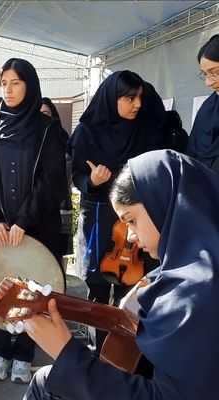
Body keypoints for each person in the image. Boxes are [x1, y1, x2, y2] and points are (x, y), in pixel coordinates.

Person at [23, 149, 219, 400]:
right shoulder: (193, 268)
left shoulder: (197, 293)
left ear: (165, 203)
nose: (130, 237)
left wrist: (67, 353)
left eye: (132, 220)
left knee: (45, 383)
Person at [0, 58, 67, 384]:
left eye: (15, 83)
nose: (8, 90)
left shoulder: (47, 130)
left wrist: (24, 220)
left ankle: (25, 353)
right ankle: (0, 350)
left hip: (36, 228)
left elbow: (52, 181)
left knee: (34, 290)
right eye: (4, 84)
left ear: (30, 85)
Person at [68, 70, 166, 355]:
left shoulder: (146, 129)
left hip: (136, 222)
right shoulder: (88, 131)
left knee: (133, 291)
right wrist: (93, 181)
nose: (136, 104)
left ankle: (123, 353)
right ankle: (97, 350)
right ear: (112, 99)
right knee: (97, 291)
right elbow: (76, 176)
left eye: (139, 97)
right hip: (100, 216)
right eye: (129, 98)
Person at [41, 97, 73, 256]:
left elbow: (68, 173)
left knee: (59, 253)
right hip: (40, 208)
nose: (42, 117)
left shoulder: (62, 137)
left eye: (46, 113)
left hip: (61, 204)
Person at [188, 34, 219, 173]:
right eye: (205, 74)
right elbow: (191, 156)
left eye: (216, 73)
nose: (209, 82)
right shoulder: (208, 109)